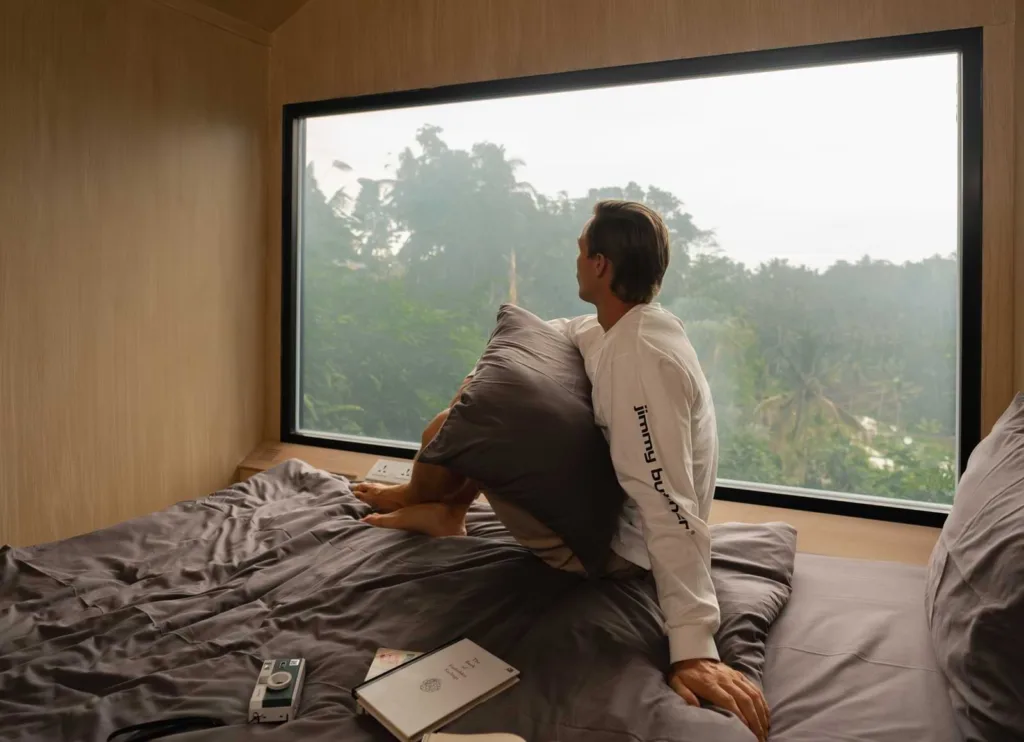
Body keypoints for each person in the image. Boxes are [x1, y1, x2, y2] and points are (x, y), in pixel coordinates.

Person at [353, 200, 769, 741]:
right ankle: (435, 506)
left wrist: (692, 647)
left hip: (613, 555)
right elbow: (565, 332)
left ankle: (434, 503)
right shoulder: (631, 327)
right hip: (618, 513)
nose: (574, 261)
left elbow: (667, 503)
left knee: (486, 418)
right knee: (469, 407)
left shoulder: (640, 360)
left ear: (600, 265)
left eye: (580, 251)